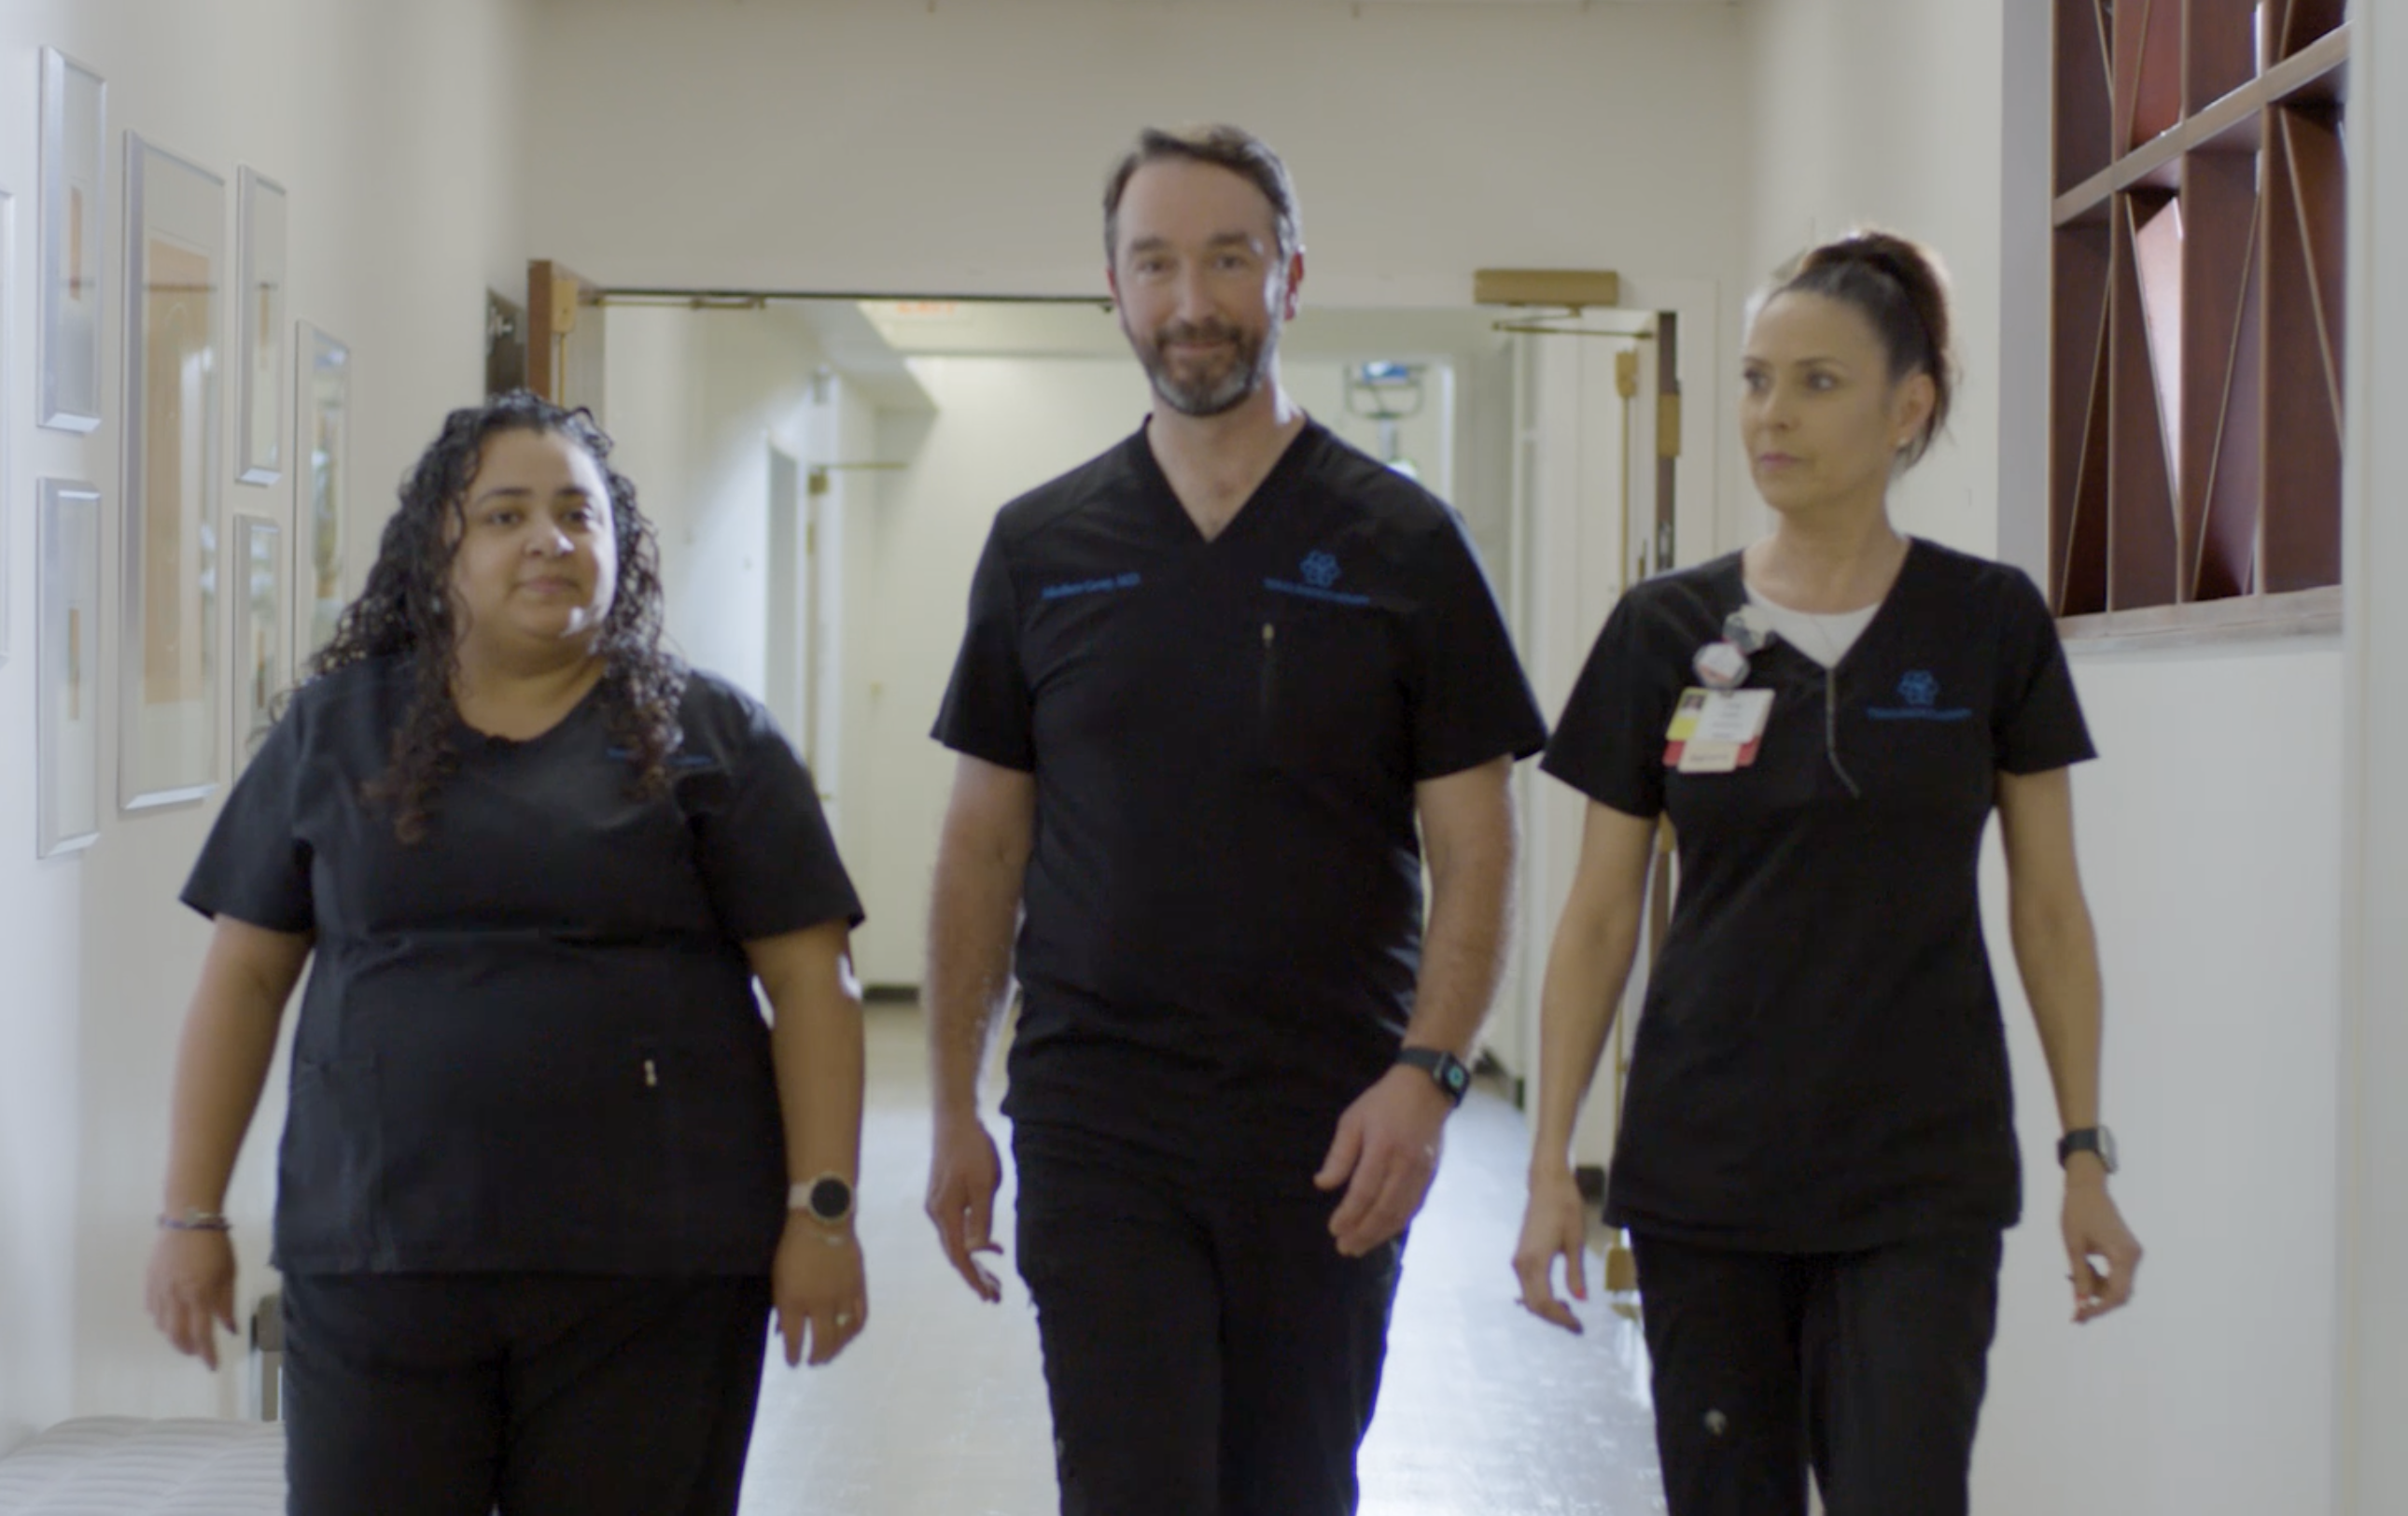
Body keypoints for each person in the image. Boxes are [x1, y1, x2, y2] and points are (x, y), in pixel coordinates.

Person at [920, 124, 1547, 1516]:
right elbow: (983, 846)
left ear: (1291, 277)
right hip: (1097, 1120)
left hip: (1330, 1129)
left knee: (1292, 1485)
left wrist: (1430, 1077)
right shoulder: (1042, 546)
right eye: (1156, 264)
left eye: (1227, 259)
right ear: (1114, 287)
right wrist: (958, 1103)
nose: (1192, 301)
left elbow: (1478, 845)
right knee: (1130, 1486)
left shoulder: (1405, 545)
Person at [144, 392, 869, 1516]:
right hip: (380, 1258)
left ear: (617, 547)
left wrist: (821, 1215)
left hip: (653, 1279)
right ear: (440, 547)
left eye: (580, 514)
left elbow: (813, 984)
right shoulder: (337, 731)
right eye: (506, 514)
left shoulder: (713, 739)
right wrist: (189, 1215)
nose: (551, 541)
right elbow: (244, 977)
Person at [1511, 231, 2145, 1516]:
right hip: (1707, 1171)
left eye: (1815, 382)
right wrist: (1546, 1172)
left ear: (1909, 405)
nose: (1770, 416)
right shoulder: (1664, 632)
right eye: (1753, 379)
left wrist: (2085, 1151)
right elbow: (1594, 922)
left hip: (1920, 1175)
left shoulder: (1989, 623)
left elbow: (2050, 910)